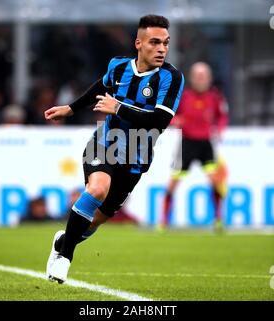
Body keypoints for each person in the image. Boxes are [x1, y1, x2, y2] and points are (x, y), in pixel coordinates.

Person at [44, 14, 184, 284]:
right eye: (154, 42)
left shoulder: (171, 77)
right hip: (107, 142)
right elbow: (101, 85)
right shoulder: (119, 67)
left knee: (95, 220)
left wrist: (118, 107)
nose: (161, 49)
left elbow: (159, 121)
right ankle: (65, 257)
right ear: (138, 43)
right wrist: (70, 109)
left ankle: (63, 240)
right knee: (96, 189)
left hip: (136, 156)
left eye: (165, 43)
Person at [161, 62, 228, 231]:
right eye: (197, 75)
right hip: (186, 145)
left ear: (209, 78)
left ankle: (219, 219)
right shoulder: (184, 97)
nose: (200, 79)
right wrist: (175, 121)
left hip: (206, 145)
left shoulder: (215, 97)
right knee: (173, 183)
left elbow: (222, 116)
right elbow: (169, 116)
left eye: (203, 75)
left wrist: (219, 129)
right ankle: (163, 221)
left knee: (216, 182)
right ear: (192, 78)